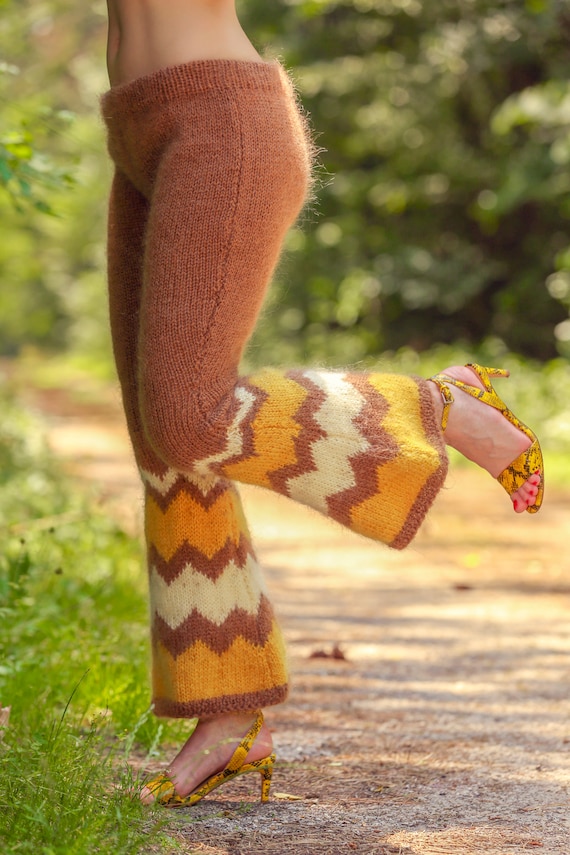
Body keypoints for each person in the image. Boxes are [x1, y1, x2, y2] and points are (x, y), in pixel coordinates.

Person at [101, 0, 543, 807]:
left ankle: (435, 405)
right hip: (137, 132)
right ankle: (229, 712)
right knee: (166, 450)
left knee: (190, 414)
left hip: (218, 123)